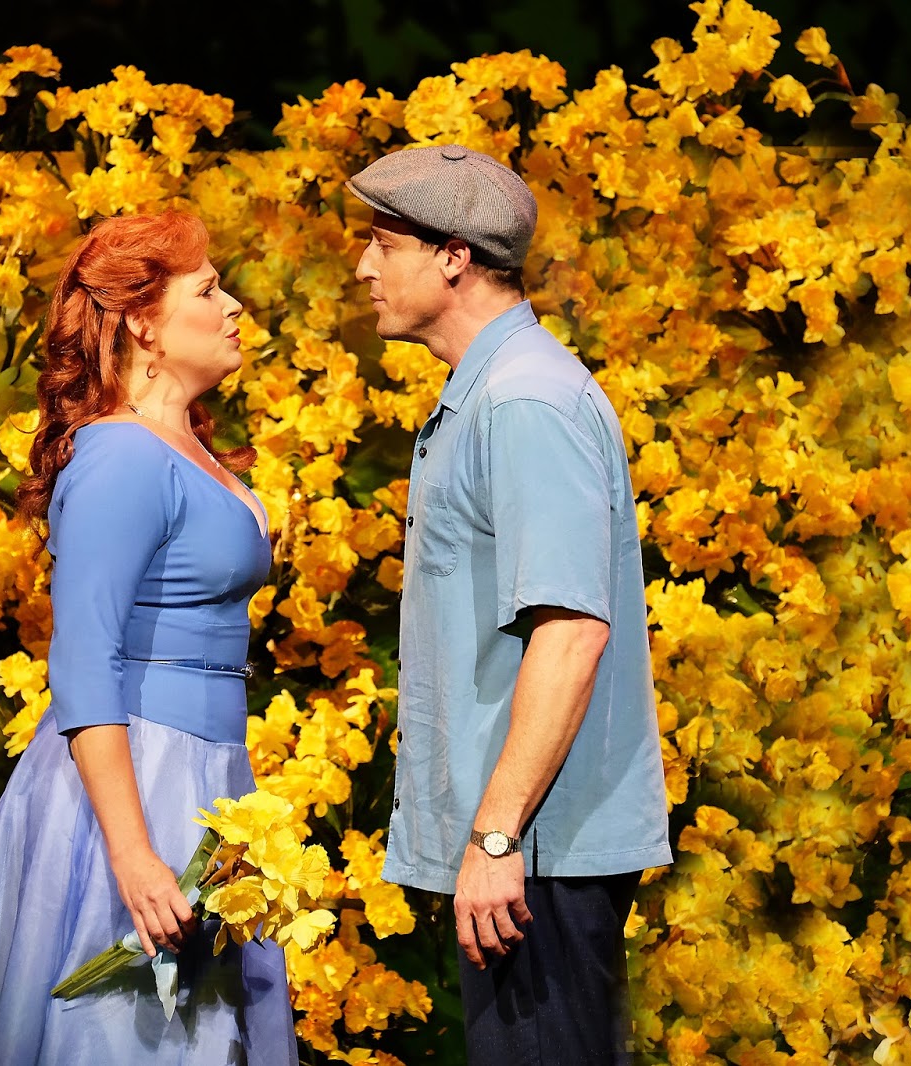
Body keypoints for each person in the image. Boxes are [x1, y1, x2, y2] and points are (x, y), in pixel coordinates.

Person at [0, 211, 298, 1066]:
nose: (234, 306)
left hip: (206, 769)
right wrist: (135, 856)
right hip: (136, 778)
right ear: (143, 322)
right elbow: (83, 662)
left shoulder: (184, 447)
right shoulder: (123, 456)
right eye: (208, 291)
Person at [347, 145, 673, 1065]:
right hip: (521, 848)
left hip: (537, 853)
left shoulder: (523, 399)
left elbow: (571, 633)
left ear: (454, 257)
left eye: (384, 244)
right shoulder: (490, 393)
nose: (365, 267)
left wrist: (496, 837)